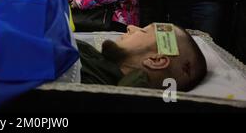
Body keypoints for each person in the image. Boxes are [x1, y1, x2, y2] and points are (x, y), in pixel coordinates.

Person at [78, 23, 207, 92]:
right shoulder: (94, 63)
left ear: (155, 60)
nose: (130, 27)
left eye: (143, 31)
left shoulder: (86, 84)